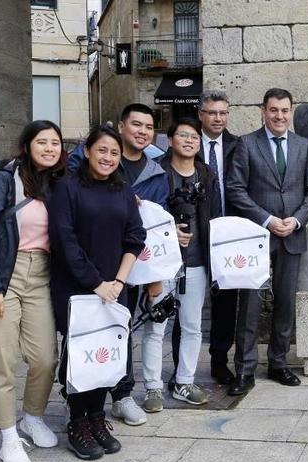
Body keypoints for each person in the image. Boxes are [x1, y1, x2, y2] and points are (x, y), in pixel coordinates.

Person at [0, 120, 65, 462]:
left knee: (44, 357)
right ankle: (8, 436)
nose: (49, 148)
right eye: (42, 142)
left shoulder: (57, 182)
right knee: (2, 361)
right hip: (2, 276)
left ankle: (32, 417)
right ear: (27, 145)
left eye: (55, 143)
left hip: (40, 276)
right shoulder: (5, 181)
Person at [49, 125, 145, 460]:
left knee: (106, 352)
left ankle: (97, 416)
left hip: (114, 287)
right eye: (101, 150)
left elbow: (135, 237)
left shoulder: (122, 189)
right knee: (80, 355)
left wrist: (117, 283)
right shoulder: (67, 187)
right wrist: (96, 283)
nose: (107, 157)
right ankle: (78, 422)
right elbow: (65, 242)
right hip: (76, 287)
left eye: (114, 153)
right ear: (87, 152)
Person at [225, 88, 308, 395]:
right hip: (256, 236)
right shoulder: (247, 144)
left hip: (292, 235)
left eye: (284, 110)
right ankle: (244, 370)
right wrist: (267, 219)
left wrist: (296, 220)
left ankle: (279, 363)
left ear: (290, 112)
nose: (279, 116)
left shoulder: (303, 145)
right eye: (273, 110)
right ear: (263, 111)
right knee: (250, 305)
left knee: (284, 302)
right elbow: (235, 189)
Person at [145, 117, 222, 407]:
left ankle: (184, 382)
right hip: (162, 262)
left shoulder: (206, 173)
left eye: (195, 137)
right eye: (183, 135)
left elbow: (213, 214)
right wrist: (168, 233)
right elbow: (147, 214)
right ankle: (152, 386)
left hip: (196, 260)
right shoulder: (157, 172)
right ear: (171, 140)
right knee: (156, 325)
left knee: (192, 326)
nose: (190, 140)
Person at [109, 103, 168, 423]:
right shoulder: (101, 159)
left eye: (149, 127)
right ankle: (80, 398)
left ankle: (122, 395)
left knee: (125, 328)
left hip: (135, 262)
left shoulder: (156, 172)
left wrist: (154, 276)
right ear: (121, 126)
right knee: (97, 329)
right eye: (136, 125)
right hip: (100, 261)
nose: (143, 131)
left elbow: (156, 228)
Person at [197, 89, 240, 386]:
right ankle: (181, 366)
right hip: (197, 234)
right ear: (201, 114)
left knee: (226, 301)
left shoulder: (239, 146)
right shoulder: (187, 143)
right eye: (212, 112)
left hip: (230, 234)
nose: (218, 118)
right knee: (189, 302)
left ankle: (219, 361)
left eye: (223, 113)